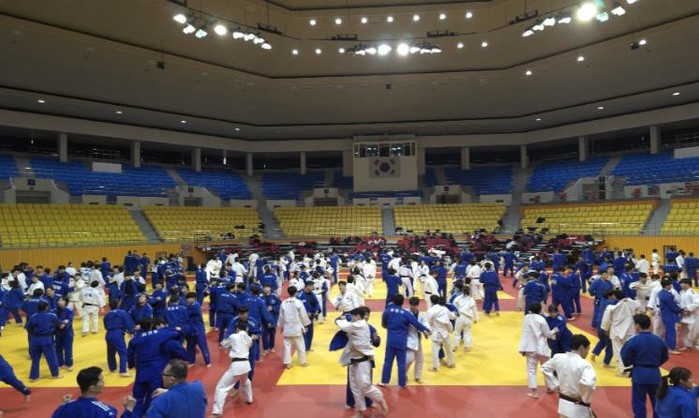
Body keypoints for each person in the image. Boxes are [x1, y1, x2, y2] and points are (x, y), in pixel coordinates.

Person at [335, 307, 389, 418]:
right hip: (353, 361)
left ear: (358, 316)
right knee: (354, 387)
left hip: (363, 361)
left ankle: (382, 401)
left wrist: (339, 319)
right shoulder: (356, 325)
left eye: (353, 316)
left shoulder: (360, 324)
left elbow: (344, 326)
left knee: (365, 386)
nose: (352, 318)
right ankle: (360, 411)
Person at [128, 318, 187, 418]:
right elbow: (178, 332)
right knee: (154, 396)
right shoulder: (161, 333)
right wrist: (180, 340)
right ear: (152, 325)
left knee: (137, 398)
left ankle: (136, 416)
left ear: (140, 327)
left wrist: (131, 365)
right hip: (156, 372)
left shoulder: (134, 339)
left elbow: (130, 356)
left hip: (141, 373)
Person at [621, 313, 669, 418]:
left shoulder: (633, 340)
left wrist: (635, 362)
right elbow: (665, 356)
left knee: (639, 403)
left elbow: (625, 358)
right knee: (657, 402)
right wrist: (656, 363)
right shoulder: (659, 340)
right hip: (655, 374)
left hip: (639, 373)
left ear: (638, 325)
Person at [380, 294, 430, 388]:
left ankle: (384, 381)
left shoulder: (387, 311)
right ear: (403, 302)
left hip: (391, 340)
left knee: (388, 362)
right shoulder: (406, 313)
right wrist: (425, 330)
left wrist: (390, 328)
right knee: (402, 362)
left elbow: (383, 324)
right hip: (402, 341)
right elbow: (416, 324)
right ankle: (402, 383)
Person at [541, 335, 597, 418]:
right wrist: (583, 397)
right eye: (587, 349)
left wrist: (555, 384)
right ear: (581, 347)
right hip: (578, 410)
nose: (587, 352)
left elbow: (545, 368)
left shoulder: (558, 358)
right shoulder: (584, 364)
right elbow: (588, 383)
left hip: (563, 406)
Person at [51, 366, 136, 417]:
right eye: (101, 381)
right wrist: (129, 409)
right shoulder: (104, 411)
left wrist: (63, 405)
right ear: (92, 388)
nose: (103, 383)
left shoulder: (67, 407)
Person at [211, 322, 254, 416]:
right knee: (245, 381)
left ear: (237, 329)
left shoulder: (234, 336)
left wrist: (229, 344)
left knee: (221, 387)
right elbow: (248, 344)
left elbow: (223, 344)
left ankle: (217, 412)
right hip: (246, 365)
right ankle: (249, 399)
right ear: (246, 329)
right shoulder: (249, 339)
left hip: (237, 365)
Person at [518, 302, 558, 399]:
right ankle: (551, 386)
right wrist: (554, 331)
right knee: (546, 367)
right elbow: (547, 334)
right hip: (541, 348)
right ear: (540, 310)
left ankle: (534, 392)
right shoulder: (541, 319)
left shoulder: (526, 317)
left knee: (531, 370)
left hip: (529, 347)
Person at [601, 289, 641, 375]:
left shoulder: (611, 307)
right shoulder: (632, 303)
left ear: (615, 297)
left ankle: (624, 370)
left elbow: (606, 320)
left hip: (617, 332)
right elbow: (638, 307)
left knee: (619, 351)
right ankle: (631, 368)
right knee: (630, 350)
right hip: (630, 330)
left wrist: (606, 329)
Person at [27, 301, 63, 381]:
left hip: (35, 340)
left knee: (35, 359)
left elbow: (29, 328)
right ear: (46, 307)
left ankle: (33, 377)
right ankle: (55, 374)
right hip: (46, 339)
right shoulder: (52, 316)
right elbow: (60, 325)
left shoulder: (33, 316)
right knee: (51, 357)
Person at [278, 285, 311, 369]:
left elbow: (281, 316)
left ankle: (287, 363)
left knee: (287, 346)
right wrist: (306, 324)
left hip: (287, 328)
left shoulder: (284, 303)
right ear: (296, 293)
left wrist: (281, 326)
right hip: (296, 328)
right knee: (301, 345)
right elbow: (303, 315)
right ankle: (303, 362)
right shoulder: (298, 302)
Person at [104, 300, 135, 377]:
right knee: (123, 352)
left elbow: (105, 325)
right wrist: (131, 332)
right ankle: (123, 370)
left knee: (111, 352)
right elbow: (128, 323)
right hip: (117, 333)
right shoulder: (122, 313)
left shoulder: (107, 315)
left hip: (108, 334)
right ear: (118, 304)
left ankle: (112, 368)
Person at [426, 295, 456, 371]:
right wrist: (455, 313)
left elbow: (428, 322)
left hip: (436, 332)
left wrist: (428, 332)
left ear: (431, 301)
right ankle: (451, 363)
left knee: (435, 350)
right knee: (448, 348)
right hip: (445, 332)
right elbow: (452, 317)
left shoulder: (430, 310)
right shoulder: (444, 309)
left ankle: (435, 367)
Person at [657, 278, 683, 355]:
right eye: (670, 285)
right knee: (671, 331)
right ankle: (671, 348)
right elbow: (673, 306)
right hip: (669, 314)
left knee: (668, 331)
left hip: (665, 314)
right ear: (667, 285)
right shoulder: (667, 295)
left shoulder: (661, 293)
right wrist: (681, 310)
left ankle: (668, 346)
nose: (671, 286)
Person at [405, 296, 427, 383]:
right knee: (409, 359)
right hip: (408, 339)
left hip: (417, 338)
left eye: (414, 305)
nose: (412, 307)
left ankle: (418, 376)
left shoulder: (421, 315)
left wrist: (426, 331)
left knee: (420, 358)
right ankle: (403, 374)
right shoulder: (405, 313)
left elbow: (425, 324)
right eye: (411, 305)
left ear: (417, 305)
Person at [453, 286, 478, 351]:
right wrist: (475, 318)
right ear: (469, 291)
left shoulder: (458, 298)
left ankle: (456, 346)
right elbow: (474, 310)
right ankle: (466, 347)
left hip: (460, 317)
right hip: (468, 318)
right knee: (467, 332)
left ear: (462, 291)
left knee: (457, 332)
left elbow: (454, 308)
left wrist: (454, 316)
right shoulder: (471, 300)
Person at [53, 296, 75, 371]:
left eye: (62, 300)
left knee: (68, 348)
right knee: (58, 348)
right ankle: (59, 363)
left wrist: (63, 324)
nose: (60, 302)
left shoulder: (69, 310)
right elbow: (53, 320)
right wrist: (61, 323)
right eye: (59, 300)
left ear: (66, 302)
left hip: (67, 332)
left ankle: (69, 364)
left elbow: (69, 319)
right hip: (57, 332)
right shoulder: (54, 311)